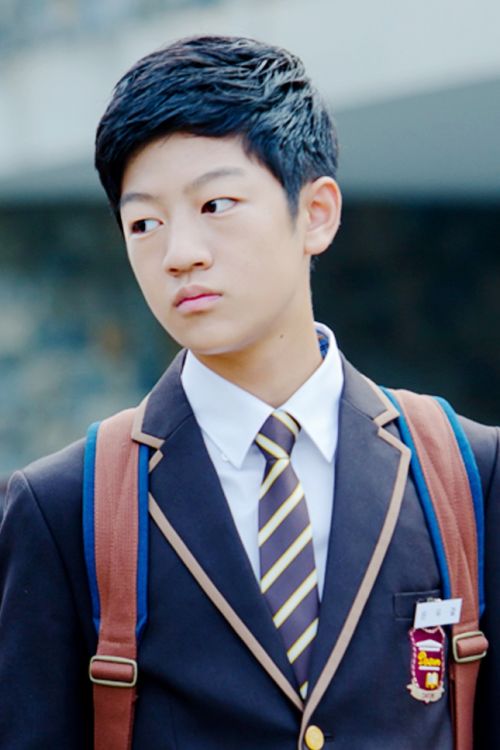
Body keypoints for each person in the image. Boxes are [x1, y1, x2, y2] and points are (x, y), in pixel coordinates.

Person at [0, 34, 498, 750]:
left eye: (216, 204)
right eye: (144, 223)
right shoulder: (62, 505)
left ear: (316, 213)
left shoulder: (468, 472)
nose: (180, 254)